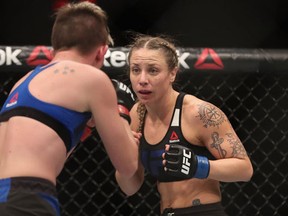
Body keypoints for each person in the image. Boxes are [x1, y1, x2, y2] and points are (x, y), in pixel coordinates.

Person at [0, 2, 139, 216]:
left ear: (55, 45)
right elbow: (128, 166)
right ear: (102, 51)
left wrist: (85, 129)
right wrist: (122, 114)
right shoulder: (92, 78)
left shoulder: (23, 82)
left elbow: (44, 150)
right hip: (26, 198)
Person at [115, 34, 254, 216]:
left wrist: (198, 166)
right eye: (135, 70)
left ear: (172, 73)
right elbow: (130, 188)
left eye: (153, 70)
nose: (142, 79)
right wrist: (124, 154)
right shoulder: (137, 114)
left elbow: (245, 169)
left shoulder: (199, 113)